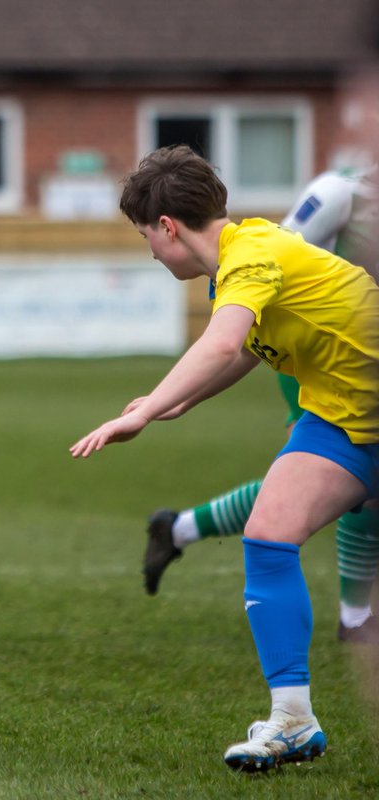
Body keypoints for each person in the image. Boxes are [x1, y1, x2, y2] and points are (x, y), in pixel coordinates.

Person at [71, 145, 379, 773]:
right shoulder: (234, 266)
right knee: (268, 535)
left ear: (167, 227)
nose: (151, 253)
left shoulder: (253, 255)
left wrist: (147, 408)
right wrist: (179, 404)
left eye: (145, 238)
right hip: (345, 418)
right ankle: (293, 722)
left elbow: (221, 342)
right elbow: (243, 350)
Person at [142, 165, 379, 644]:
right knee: (322, 477)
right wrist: (162, 403)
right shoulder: (340, 191)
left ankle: (180, 528)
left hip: (350, 349)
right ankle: (355, 619)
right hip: (315, 348)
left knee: (333, 483)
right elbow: (272, 262)